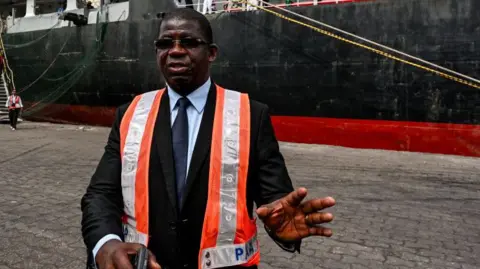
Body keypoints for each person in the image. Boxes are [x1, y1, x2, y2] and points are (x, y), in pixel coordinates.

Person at [81, 8, 335, 269]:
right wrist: (106, 243)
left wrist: (280, 225)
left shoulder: (251, 115)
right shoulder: (130, 114)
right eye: (165, 43)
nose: (176, 50)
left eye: (189, 42)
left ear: (212, 53)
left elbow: (276, 199)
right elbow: (101, 195)